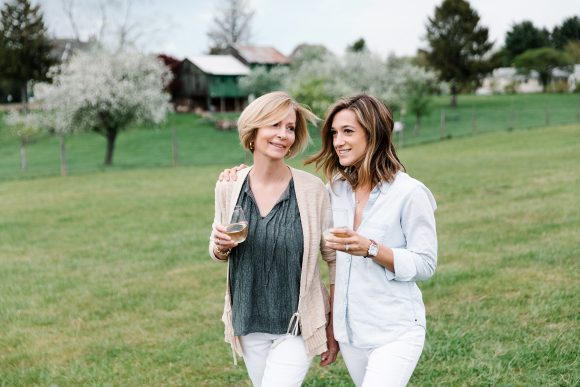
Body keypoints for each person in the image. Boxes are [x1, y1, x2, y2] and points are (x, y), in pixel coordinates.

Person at [220, 94, 438, 387]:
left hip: (396, 329)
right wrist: (334, 329)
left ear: (374, 134)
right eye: (334, 133)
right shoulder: (334, 190)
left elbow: (425, 263)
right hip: (352, 334)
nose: (338, 142)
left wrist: (372, 249)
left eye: (348, 131)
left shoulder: (409, 193)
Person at [209, 91, 339, 387]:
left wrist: (333, 323)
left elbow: (333, 258)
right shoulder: (229, 186)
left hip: (297, 324)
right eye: (274, 125)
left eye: (290, 128)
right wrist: (219, 245)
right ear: (253, 131)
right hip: (249, 319)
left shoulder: (311, 190)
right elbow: (217, 245)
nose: (284, 135)